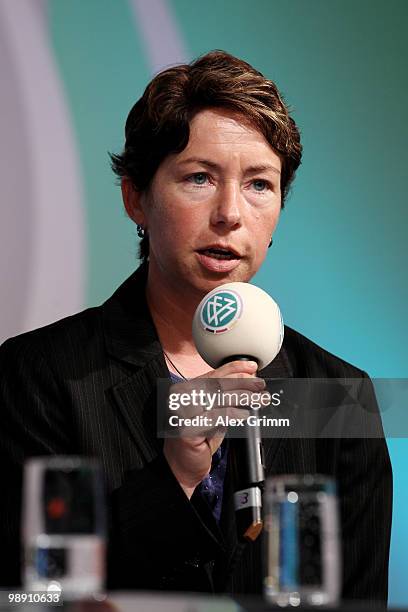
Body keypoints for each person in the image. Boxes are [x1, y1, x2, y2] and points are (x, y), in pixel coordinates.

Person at [0, 50, 392, 600]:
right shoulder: (36, 377)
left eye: (259, 184)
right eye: (200, 177)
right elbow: (26, 595)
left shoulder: (341, 397)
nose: (231, 213)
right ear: (136, 198)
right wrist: (177, 477)